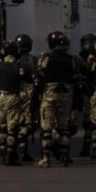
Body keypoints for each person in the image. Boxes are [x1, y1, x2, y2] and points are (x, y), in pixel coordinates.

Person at [35, 31, 82, 168]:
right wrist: (77, 105)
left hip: (49, 96)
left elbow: (38, 77)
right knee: (64, 129)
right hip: (66, 96)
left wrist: (35, 99)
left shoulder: (45, 59)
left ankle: (45, 159)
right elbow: (77, 80)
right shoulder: (72, 60)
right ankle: (64, 158)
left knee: (47, 128)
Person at [0, 41, 26, 166]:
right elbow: (25, 82)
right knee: (12, 129)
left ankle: (3, 155)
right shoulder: (18, 66)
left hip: (0, 97)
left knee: (2, 127)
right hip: (13, 97)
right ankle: (10, 156)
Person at [13, 33, 39, 162]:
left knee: (20, 122)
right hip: (29, 93)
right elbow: (36, 79)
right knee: (32, 123)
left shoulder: (13, 61)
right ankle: (17, 141)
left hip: (15, 93)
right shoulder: (32, 60)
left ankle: (23, 152)